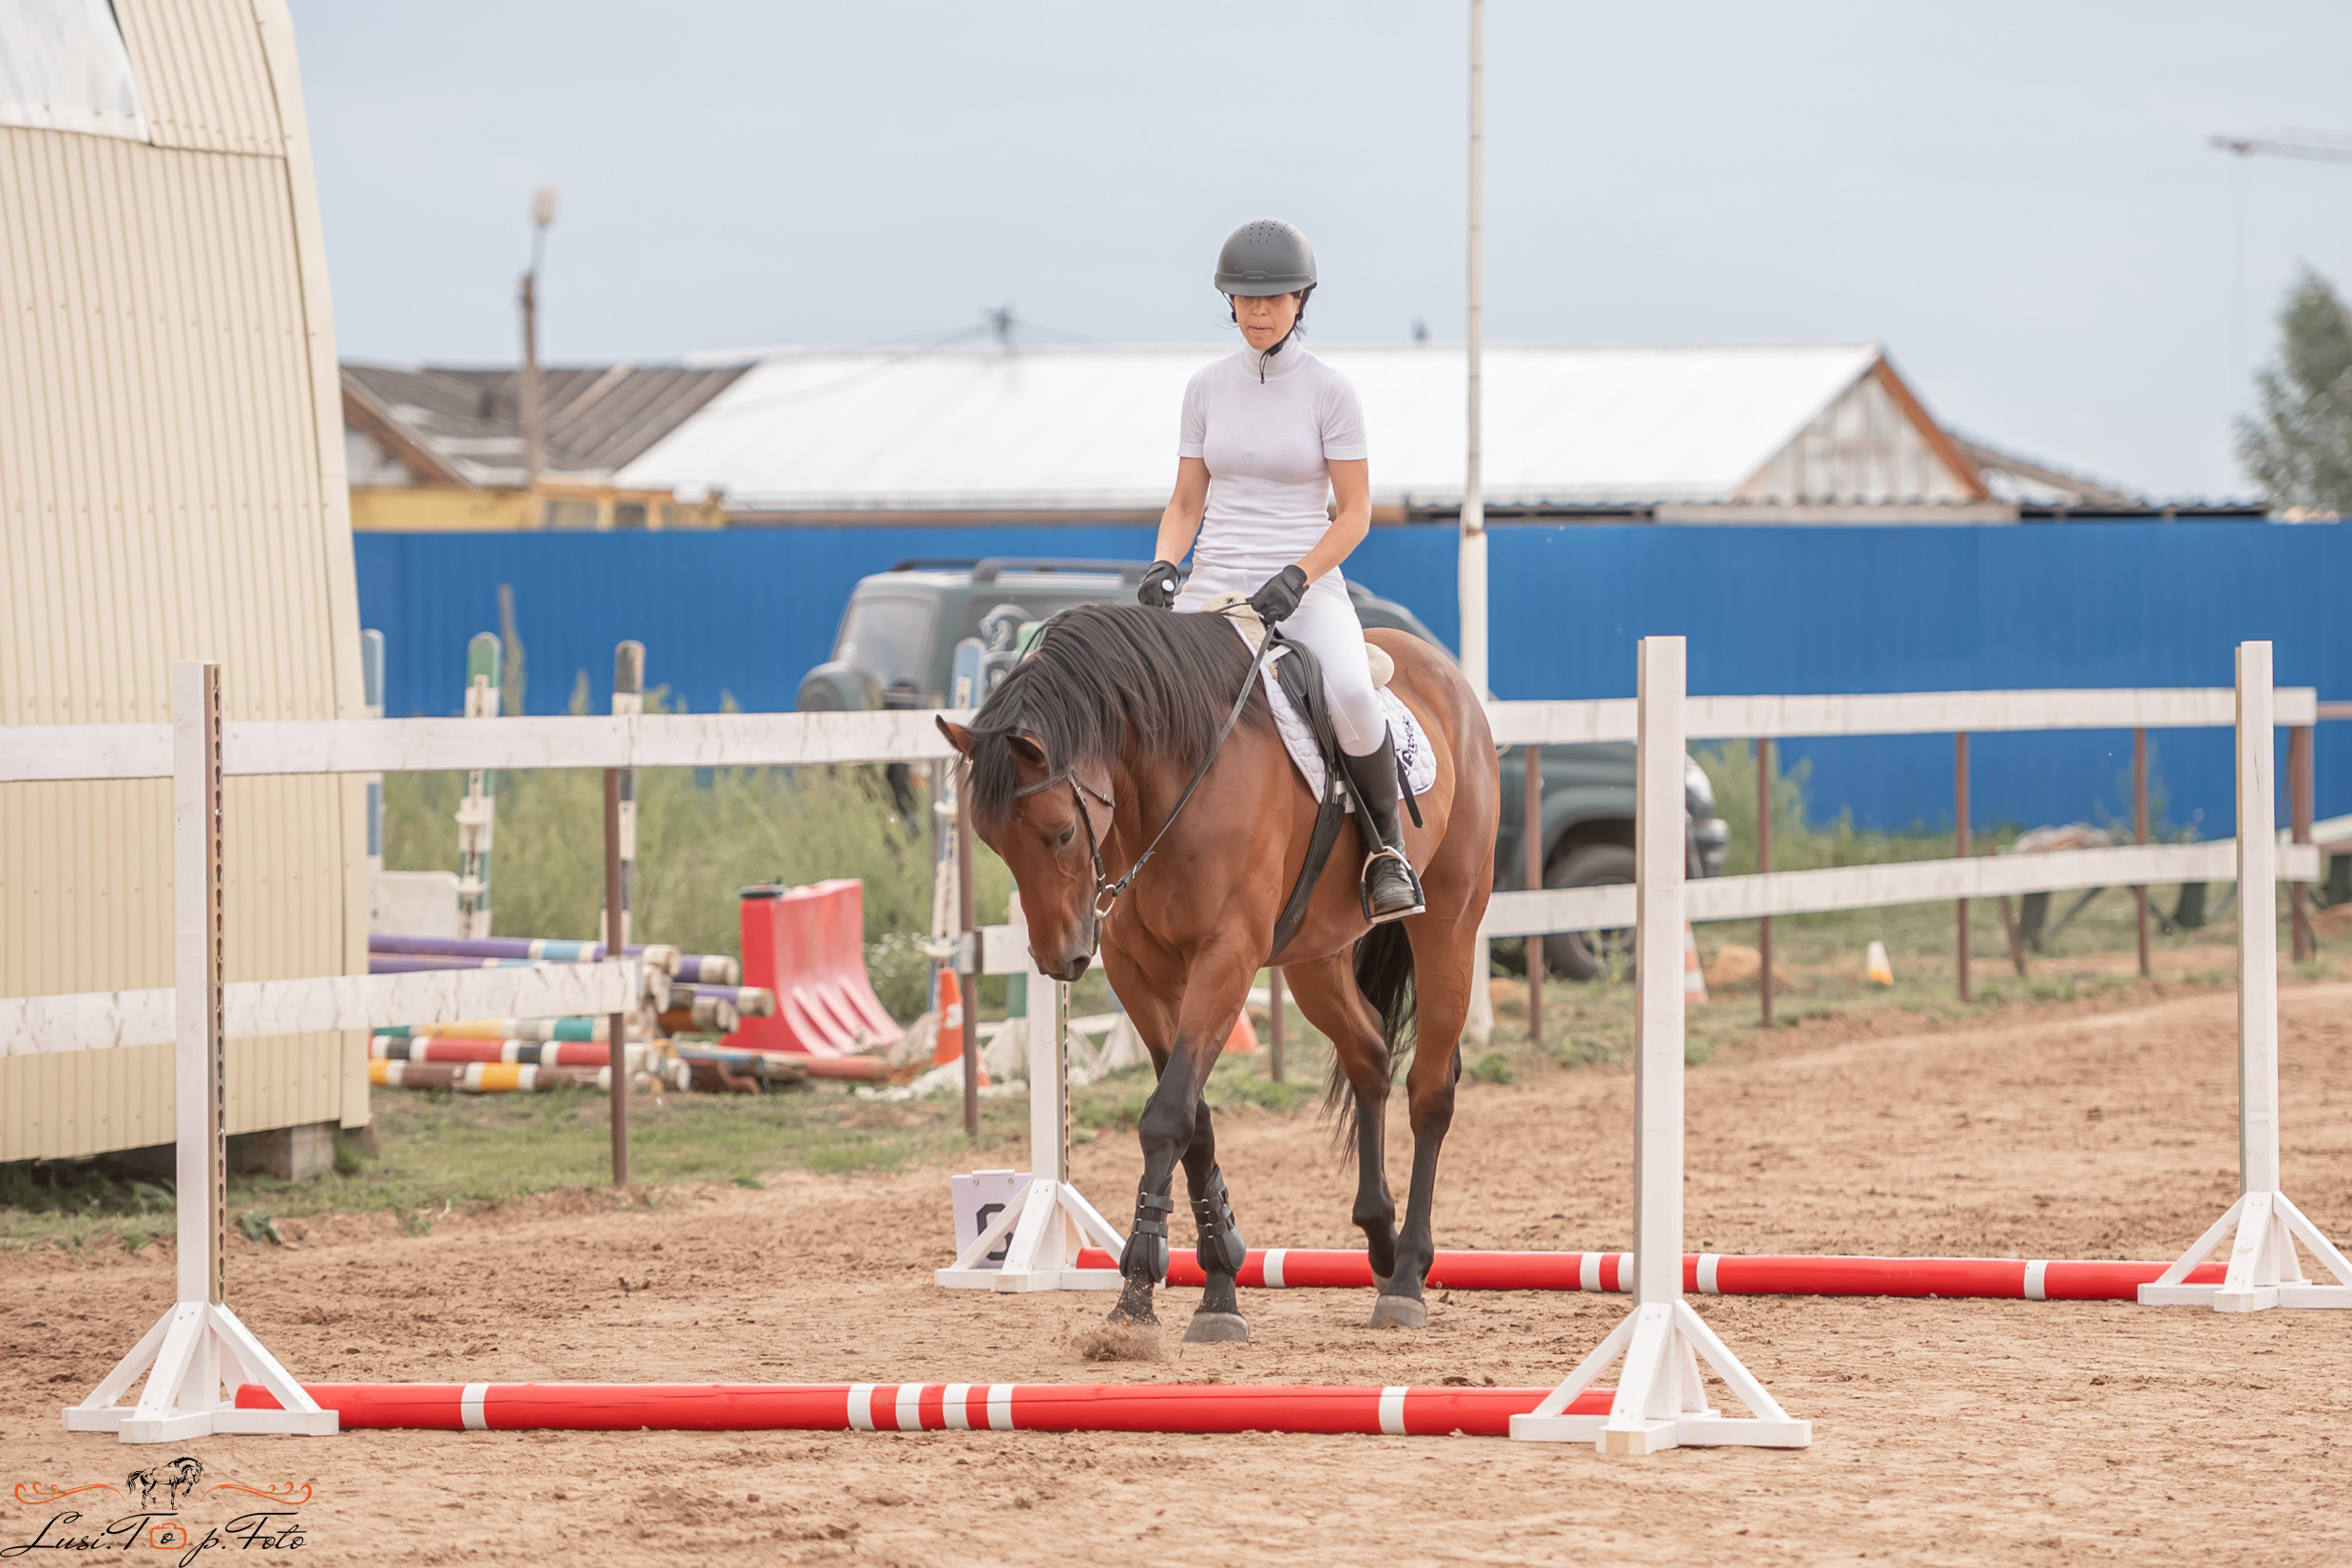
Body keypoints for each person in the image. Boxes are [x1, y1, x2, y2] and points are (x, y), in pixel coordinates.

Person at [1137, 219, 1425, 924]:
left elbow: (1353, 513)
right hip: (1215, 580)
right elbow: (1183, 502)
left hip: (1304, 582)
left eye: (1273, 300)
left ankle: (1385, 850)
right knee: (1140, 699)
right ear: (1228, 302)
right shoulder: (1205, 389)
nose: (1258, 313)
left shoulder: (1329, 392)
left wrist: (1299, 575)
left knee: (1353, 693)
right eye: (1244, 299)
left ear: (1301, 300)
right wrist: (1164, 565)